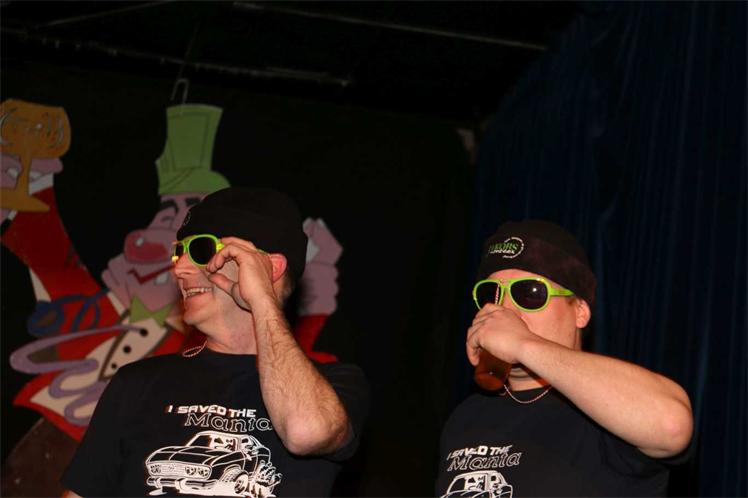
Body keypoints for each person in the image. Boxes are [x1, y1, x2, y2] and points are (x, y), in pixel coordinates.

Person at [62, 187, 369, 497]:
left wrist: (262, 299)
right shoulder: (136, 384)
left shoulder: (335, 386)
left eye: (201, 250)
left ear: (270, 268)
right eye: (179, 252)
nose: (180, 268)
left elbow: (304, 431)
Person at [436, 220, 693, 497]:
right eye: (491, 295)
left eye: (529, 293)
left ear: (580, 311)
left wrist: (522, 343)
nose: (504, 310)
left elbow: (671, 425)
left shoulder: (603, 411)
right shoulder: (464, 419)